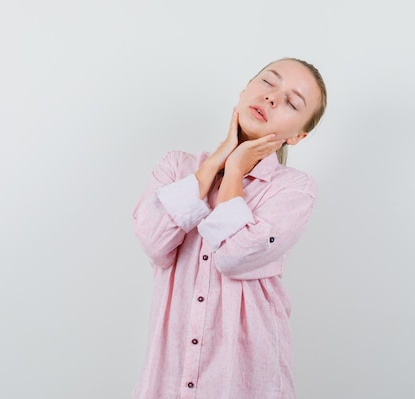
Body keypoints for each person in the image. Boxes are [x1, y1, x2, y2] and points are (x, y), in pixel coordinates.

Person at [131, 57, 327, 399]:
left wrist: (235, 171)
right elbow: (154, 242)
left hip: (244, 377)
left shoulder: (293, 191)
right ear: (243, 91)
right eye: (268, 83)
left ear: (297, 136)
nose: (272, 98)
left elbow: (233, 257)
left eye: (293, 102)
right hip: (168, 375)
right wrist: (219, 159)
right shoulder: (177, 167)